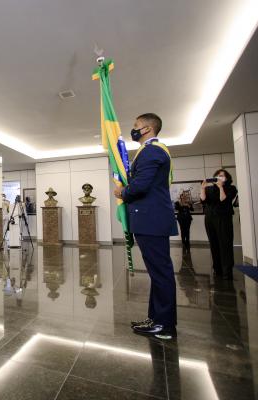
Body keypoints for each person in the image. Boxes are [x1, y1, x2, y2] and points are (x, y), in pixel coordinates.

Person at [114, 113, 178, 339]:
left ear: (148, 129)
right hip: (151, 220)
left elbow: (140, 186)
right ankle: (157, 318)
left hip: (151, 220)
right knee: (157, 273)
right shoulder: (152, 150)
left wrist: (122, 191)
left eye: (136, 126)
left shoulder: (152, 151)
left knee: (160, 273)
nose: (134, 130)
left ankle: (165, 325)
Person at [201, 169, 238, 280]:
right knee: (214, 243)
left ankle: (227, 271)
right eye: (217, 175)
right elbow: (203, 200)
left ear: (227, 178)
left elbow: (223, 199)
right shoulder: (209, 189)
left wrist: (221, 187)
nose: (219, 177)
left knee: (225, 244)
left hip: (223, 218)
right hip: (210, 219)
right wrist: (202, 188)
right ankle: (217, 270)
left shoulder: (231, 188)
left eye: (222, 176)